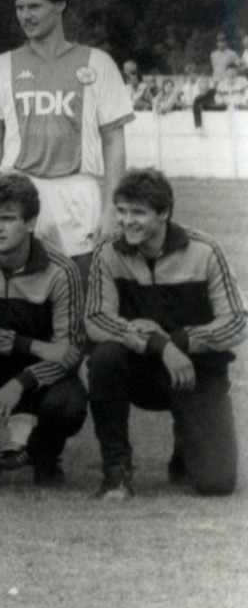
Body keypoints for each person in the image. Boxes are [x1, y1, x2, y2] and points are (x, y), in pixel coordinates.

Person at [85, 169, 241, 498]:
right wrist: (159, 346)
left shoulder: (205, 251)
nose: (126, 221)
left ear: (164, 213)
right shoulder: (109, 252)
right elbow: (97, 318)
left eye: (138, 212)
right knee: (104, 358)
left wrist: (179, 343)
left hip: (195, 371)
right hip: (142, 369)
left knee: (216, 483)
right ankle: (117, 470)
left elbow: (236, 322)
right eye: (121, 211)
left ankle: (186, 444)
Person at [0, 0, 131, 268]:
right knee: (20, 287)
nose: (25, 16)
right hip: (18, 191)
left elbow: (114, 142)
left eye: (34, 6)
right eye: (20, 8)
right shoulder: (1, 67)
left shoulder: (97, 63)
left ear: (60, 4)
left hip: (77, 192)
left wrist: (112, 209)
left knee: (80, 283)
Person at [0, 173, 88, 490]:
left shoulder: (61, 270)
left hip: (38, 377)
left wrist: (20, 383)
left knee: (69, 404)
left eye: (7, 219)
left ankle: (44, 457)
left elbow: (69, 351)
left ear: (30, 223)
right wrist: (31, 345)